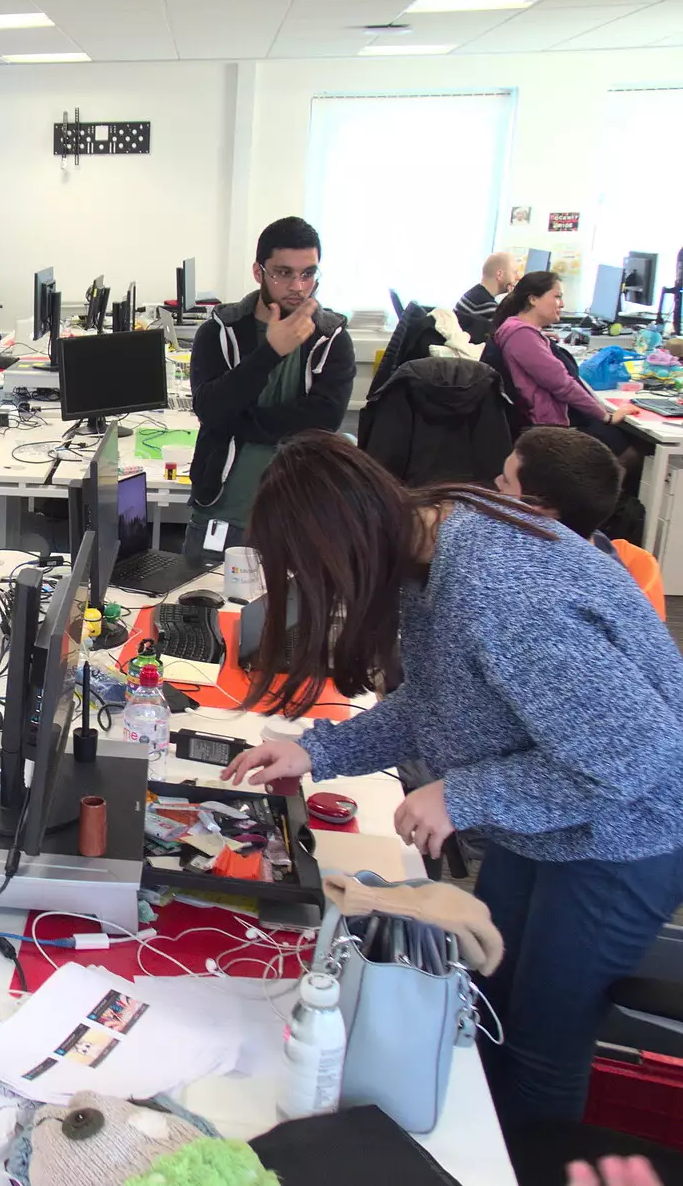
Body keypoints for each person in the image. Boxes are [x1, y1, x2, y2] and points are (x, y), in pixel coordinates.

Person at [219, 432, 683, 1125]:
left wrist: (463, 794)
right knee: (485, 1006)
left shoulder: (499, 588)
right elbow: (442, 700)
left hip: (622, 835)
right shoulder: (427, 535)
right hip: (548, 822)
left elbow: (633, 755)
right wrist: (320, 750)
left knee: (539, 1048)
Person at [185, 217, 354, 558]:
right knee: (198, 607)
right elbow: (211, 409)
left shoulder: (332, 337)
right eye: (283, 272)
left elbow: (323, 421)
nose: (298, 285)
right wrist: (270, 353)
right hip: (222, 512)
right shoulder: (220, 331)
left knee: (288, 611)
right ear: (258, 271)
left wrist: (241, 421)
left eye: (308, 273)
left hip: (300, 517)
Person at [496, 427, 665, 617]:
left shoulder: (544, 602)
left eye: (507, 481)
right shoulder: (593, 547)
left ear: (538, 506)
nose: (497, 482)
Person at [484, 270, 638, 461]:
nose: (562, 304)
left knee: (619, 437)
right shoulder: (521, 335)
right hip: (546, 428)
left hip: (542, 422)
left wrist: (539, 339)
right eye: (557, 296)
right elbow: (562, 385)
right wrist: (605, 416)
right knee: (632, 449)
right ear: (533, 299)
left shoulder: (516, 329)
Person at [455, 251, 516, 343]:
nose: (517, 277)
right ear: (500, 274)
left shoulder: (474, 294)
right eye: (514, 272)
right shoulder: (487, 305)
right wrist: (514, 299)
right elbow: (509, 334)